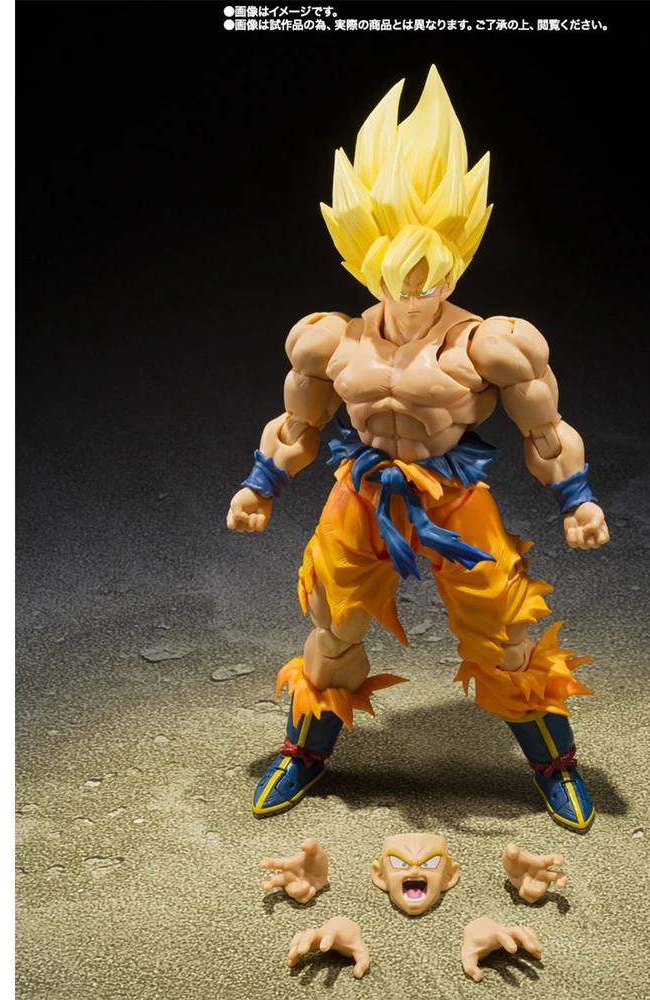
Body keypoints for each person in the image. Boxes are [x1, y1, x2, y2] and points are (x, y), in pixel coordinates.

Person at [227, 67, 610, 831]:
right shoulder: (330, 340)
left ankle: (554, 763)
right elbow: (297, 425)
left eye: (431, 276)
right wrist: (261, 483)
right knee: (332, 626)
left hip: (454, 498)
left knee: (505, 634)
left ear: (456, 261)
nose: (415, 291)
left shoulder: (491, 343)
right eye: (399, 276)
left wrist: (578, 498)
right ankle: (305, 752)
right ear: (364, 259)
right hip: (361, 491)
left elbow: (546, 429)